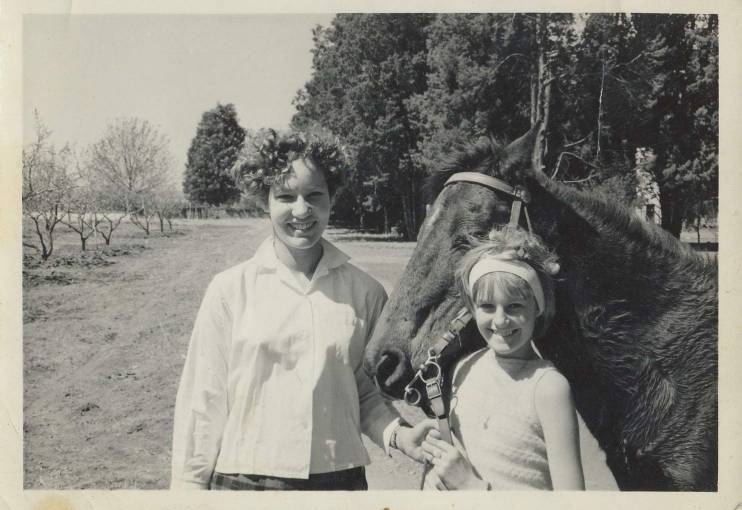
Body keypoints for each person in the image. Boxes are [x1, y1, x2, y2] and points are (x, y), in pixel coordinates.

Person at [171, 131, 431, 490]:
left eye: (314, 195)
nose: (301, 210)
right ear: (265, 201)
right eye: (285, 196)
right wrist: (187, 492)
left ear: (332, 197)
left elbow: (365, 392)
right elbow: (204, 402)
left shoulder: (366, 293)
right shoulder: (230, 290)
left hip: (339, 482)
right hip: (245, 482)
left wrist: (400, 435)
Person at [421, 226, 585, 490]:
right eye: (487, 306)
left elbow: (572, 500)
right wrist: (439, 472)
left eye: (514, 306)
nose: (500, 320)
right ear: (472, 309)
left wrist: (472, 488)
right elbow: (463, 461)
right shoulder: (465, 367)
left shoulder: (548, 388)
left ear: (538, 309)